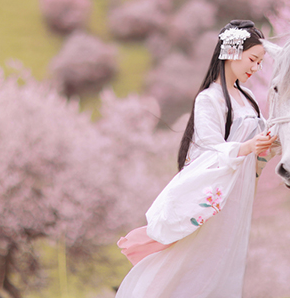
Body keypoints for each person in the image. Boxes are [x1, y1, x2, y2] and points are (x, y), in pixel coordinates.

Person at [115, 20, 278, 298]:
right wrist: (249, 145)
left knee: (227, 252)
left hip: (238, 191)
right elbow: (210, 148)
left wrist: (269, 140)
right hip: (216, 191)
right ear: (231, 52)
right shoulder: (209, 99)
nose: (256, 68)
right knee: (194, 254)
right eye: (253, 59)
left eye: (260, 62)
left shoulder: (248, 97)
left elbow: (261, 142)